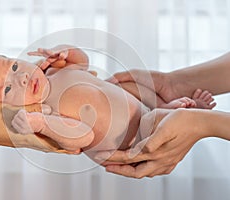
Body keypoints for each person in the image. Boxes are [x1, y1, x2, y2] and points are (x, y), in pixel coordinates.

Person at [0, 44, 214, 161]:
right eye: (7, 88)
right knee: (152, 121)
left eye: (15, 65)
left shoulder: (54, 72)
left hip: (135, 104)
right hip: (136, 137)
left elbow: (82, 63)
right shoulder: (47, 112)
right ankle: (179, 114)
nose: (21, 78)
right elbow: (82, 136)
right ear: (1, 109)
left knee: (128, 81)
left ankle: (169, 108)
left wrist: (66, 52)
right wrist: (41, 123)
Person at [95, 51, 230, 178]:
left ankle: (177, 110)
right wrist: (174, 84)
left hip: (143, 129)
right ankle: (174, 108)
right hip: (138, 132)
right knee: (147, 113)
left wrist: (204, 122)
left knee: (152, 121)